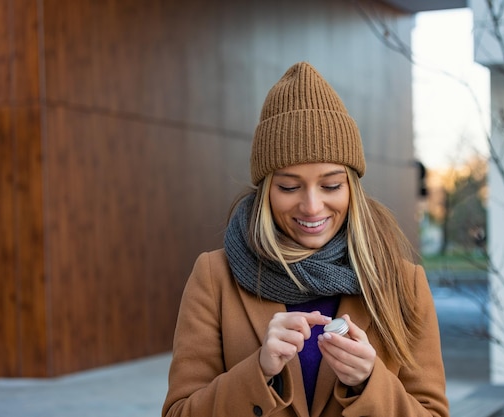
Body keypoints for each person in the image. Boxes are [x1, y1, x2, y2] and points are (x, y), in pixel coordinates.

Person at [162, 62, 449, 417]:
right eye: (289, 186)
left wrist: (369, 382)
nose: (312, 207)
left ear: (351, 188)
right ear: (266, 190)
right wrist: (259, 372)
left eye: (330, 185)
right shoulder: (214, 278)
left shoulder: (404, 282)